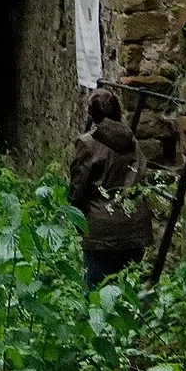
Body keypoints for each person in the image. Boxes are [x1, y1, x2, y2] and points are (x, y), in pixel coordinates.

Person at [69, 88, 152, 288]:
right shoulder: (133, 142)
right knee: (128, 291)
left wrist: (77, 220)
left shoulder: (88, 144)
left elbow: (78, 189)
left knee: (96, 293)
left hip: (101, 231)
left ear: (92, 115)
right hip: (134, 227)